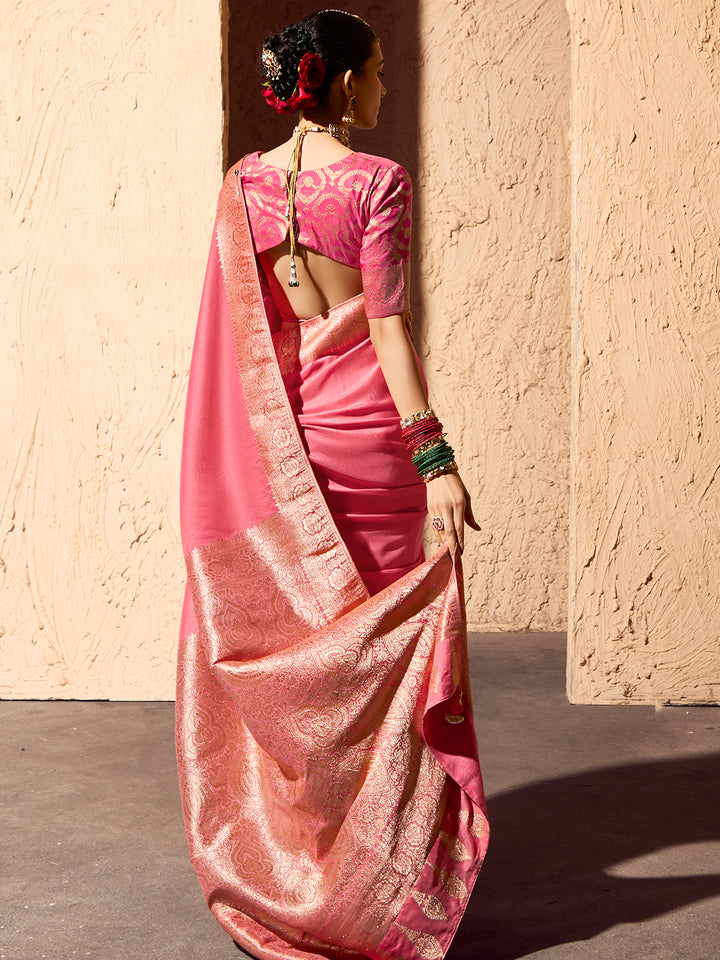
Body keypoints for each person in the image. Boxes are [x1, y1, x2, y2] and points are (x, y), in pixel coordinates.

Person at [176, 11, 489, 960]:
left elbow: (255, 336)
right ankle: (380, 890)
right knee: (387, 663)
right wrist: (435, 459)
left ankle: (304, 873)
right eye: (380, 75)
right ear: (344, 84)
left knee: (318, 653)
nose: (385, 91)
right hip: (374, 448)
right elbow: (389, 330)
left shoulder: (245, 186)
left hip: (297, 441)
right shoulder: (377, 181)